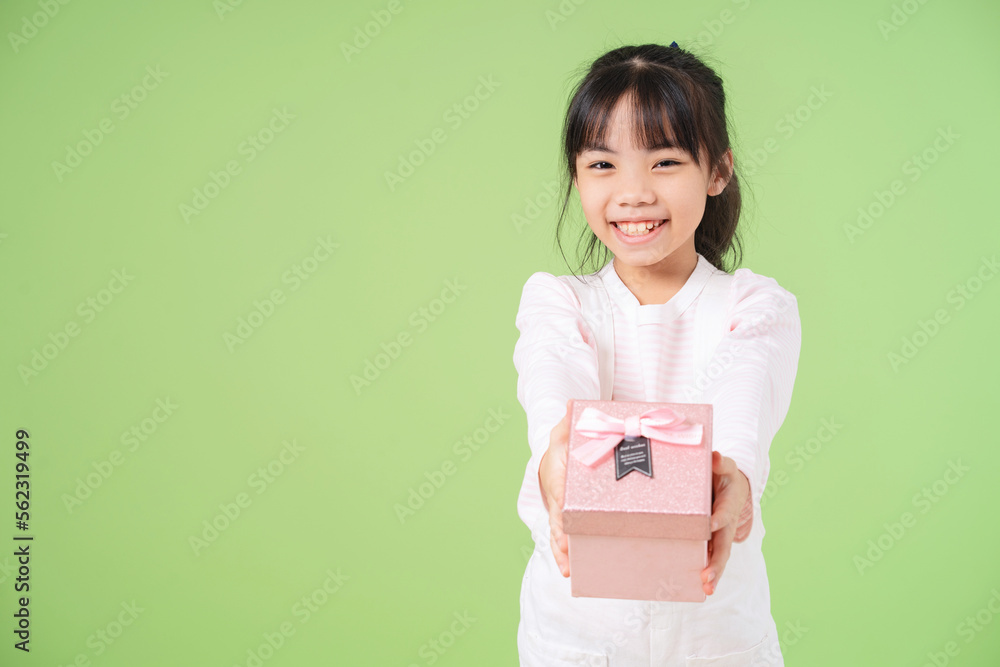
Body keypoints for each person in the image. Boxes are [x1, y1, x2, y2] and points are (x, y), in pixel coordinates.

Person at [512, 42, 802, 666]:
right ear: (576, 176)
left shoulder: (754, 307)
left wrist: (732, 479)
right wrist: (556, 459)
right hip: (575, 640)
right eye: (602, 164)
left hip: (716, 640)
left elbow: (742, 411)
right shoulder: (558, 303)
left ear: (718, 171)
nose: (633, 193)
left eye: (665, 161)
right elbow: (553, 398)